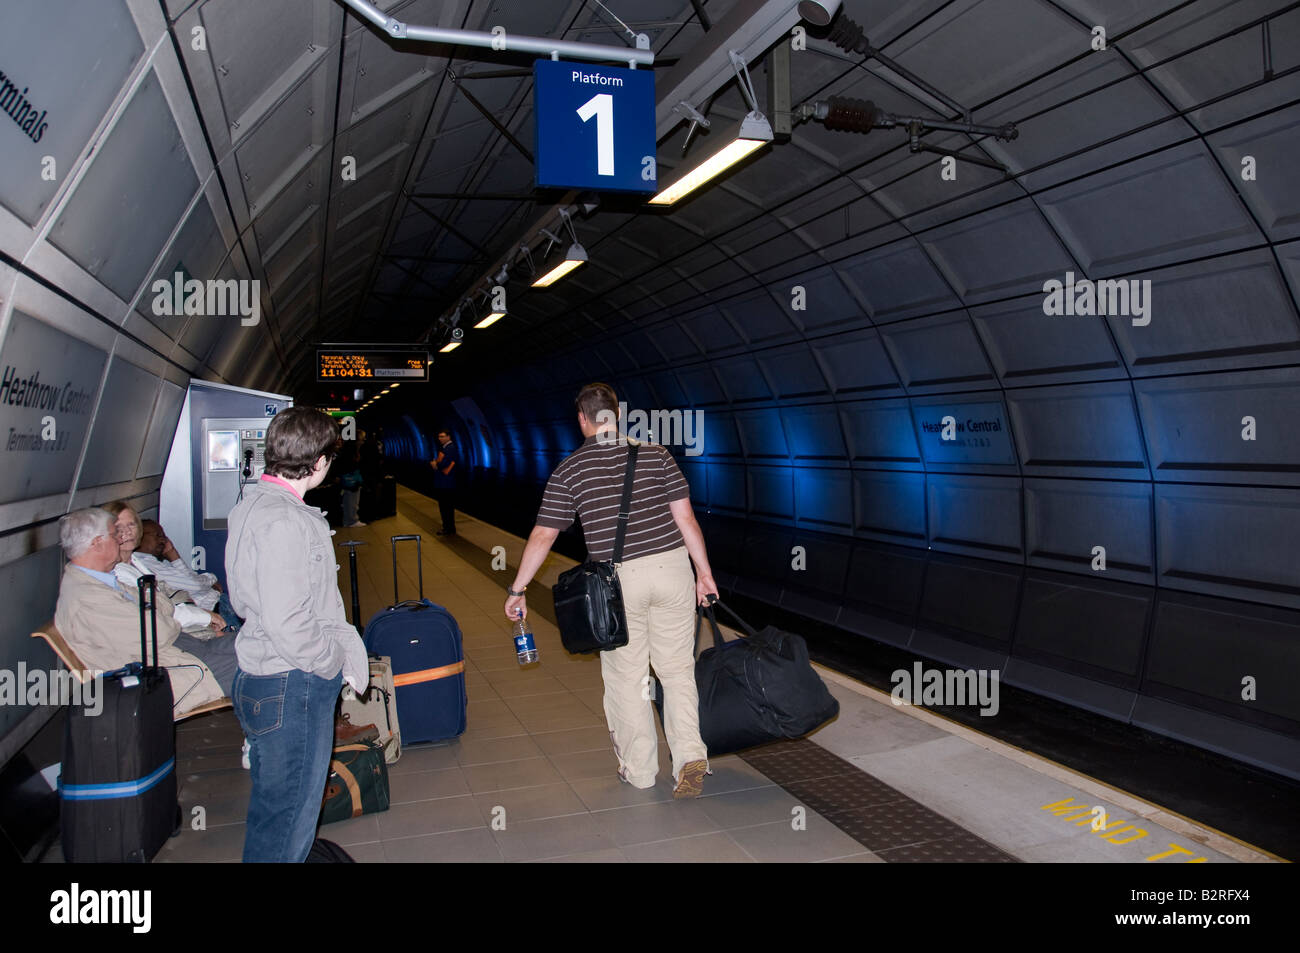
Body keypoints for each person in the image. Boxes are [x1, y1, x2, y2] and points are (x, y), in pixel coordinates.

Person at [503, 383, 718, 798]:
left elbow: (544, 534)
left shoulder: (570, 470)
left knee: (628, 678)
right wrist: (703, 574)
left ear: (582, 419)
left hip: (618, 583)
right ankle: (690, 758)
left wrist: (518, 588)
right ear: (617, 413)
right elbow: (687, 519)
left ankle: (639, 771)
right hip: (673, 570)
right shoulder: (658, 455)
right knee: (676, 672)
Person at [224, 406, 368, 863]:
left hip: (265, 676)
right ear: (321, 461)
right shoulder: (286, 520)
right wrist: (330, 662)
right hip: (293, 681)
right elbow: (290, 622)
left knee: (274, 813)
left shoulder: (252, 506)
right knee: (290, 820)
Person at [54, 508, 230, 715]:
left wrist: (161, 615)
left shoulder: (103, 580)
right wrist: (164, 617)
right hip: (175, 672)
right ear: (96, 543)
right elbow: (159, 632)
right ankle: (258, 745)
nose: (120, 539)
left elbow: (163, 603)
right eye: (114, 534)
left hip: (185, 650)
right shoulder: (88, 597)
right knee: (265, 666)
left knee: (258, 645)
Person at [135, 518, 243, 631]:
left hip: (219, 607)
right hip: (215, 612)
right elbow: (194, 584)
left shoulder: (154, 562)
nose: (163, 540)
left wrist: (173, 554)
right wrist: (211, 578)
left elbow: (189, 578)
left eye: (164, 536)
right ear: (140, 536)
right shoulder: (147, 565)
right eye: (158, 535)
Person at [429, 429, 459, 536]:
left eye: (442, 436)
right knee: (446, 506)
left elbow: (445, 464)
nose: (440, 438)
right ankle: (448, 527)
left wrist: (435, 465)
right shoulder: (446, 448)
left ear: (448, 437)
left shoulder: (450, 448)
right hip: (445, 482)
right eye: (439, 436)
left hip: (446, 482)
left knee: (446, 506)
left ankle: (448, 528)